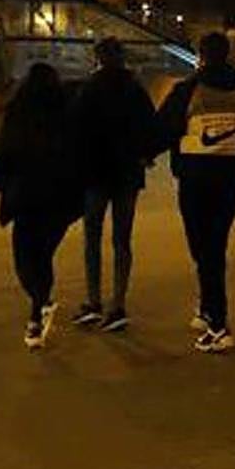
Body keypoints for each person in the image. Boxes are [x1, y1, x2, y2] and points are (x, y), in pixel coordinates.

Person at [156, 32, 235, 353]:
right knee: (214, 246)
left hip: (195, 181)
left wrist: (141, 155)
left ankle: (218, 325)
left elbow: (162, 130)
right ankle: (207, 308)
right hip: (230, 182)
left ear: (201, 57)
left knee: (205, 249)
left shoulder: (187, 92)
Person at [0, 63, 83, 350]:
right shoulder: (67, 116)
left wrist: (3, 185)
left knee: (26, 258)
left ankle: (37, 311)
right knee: (43, 254)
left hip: (26, 198)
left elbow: (0, 155)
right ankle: (40, 304)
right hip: (59, 199)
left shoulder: (18, 116)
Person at [69, 38, 158, 332]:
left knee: (92, 238)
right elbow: (151, 127)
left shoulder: (89, 89)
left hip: (96, 174)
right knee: (122, 240)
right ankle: (117, 305)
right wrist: (145, 155)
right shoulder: (135, 90)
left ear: (98, 58)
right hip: (127, 174)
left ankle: (93, 302)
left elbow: (75, 130)